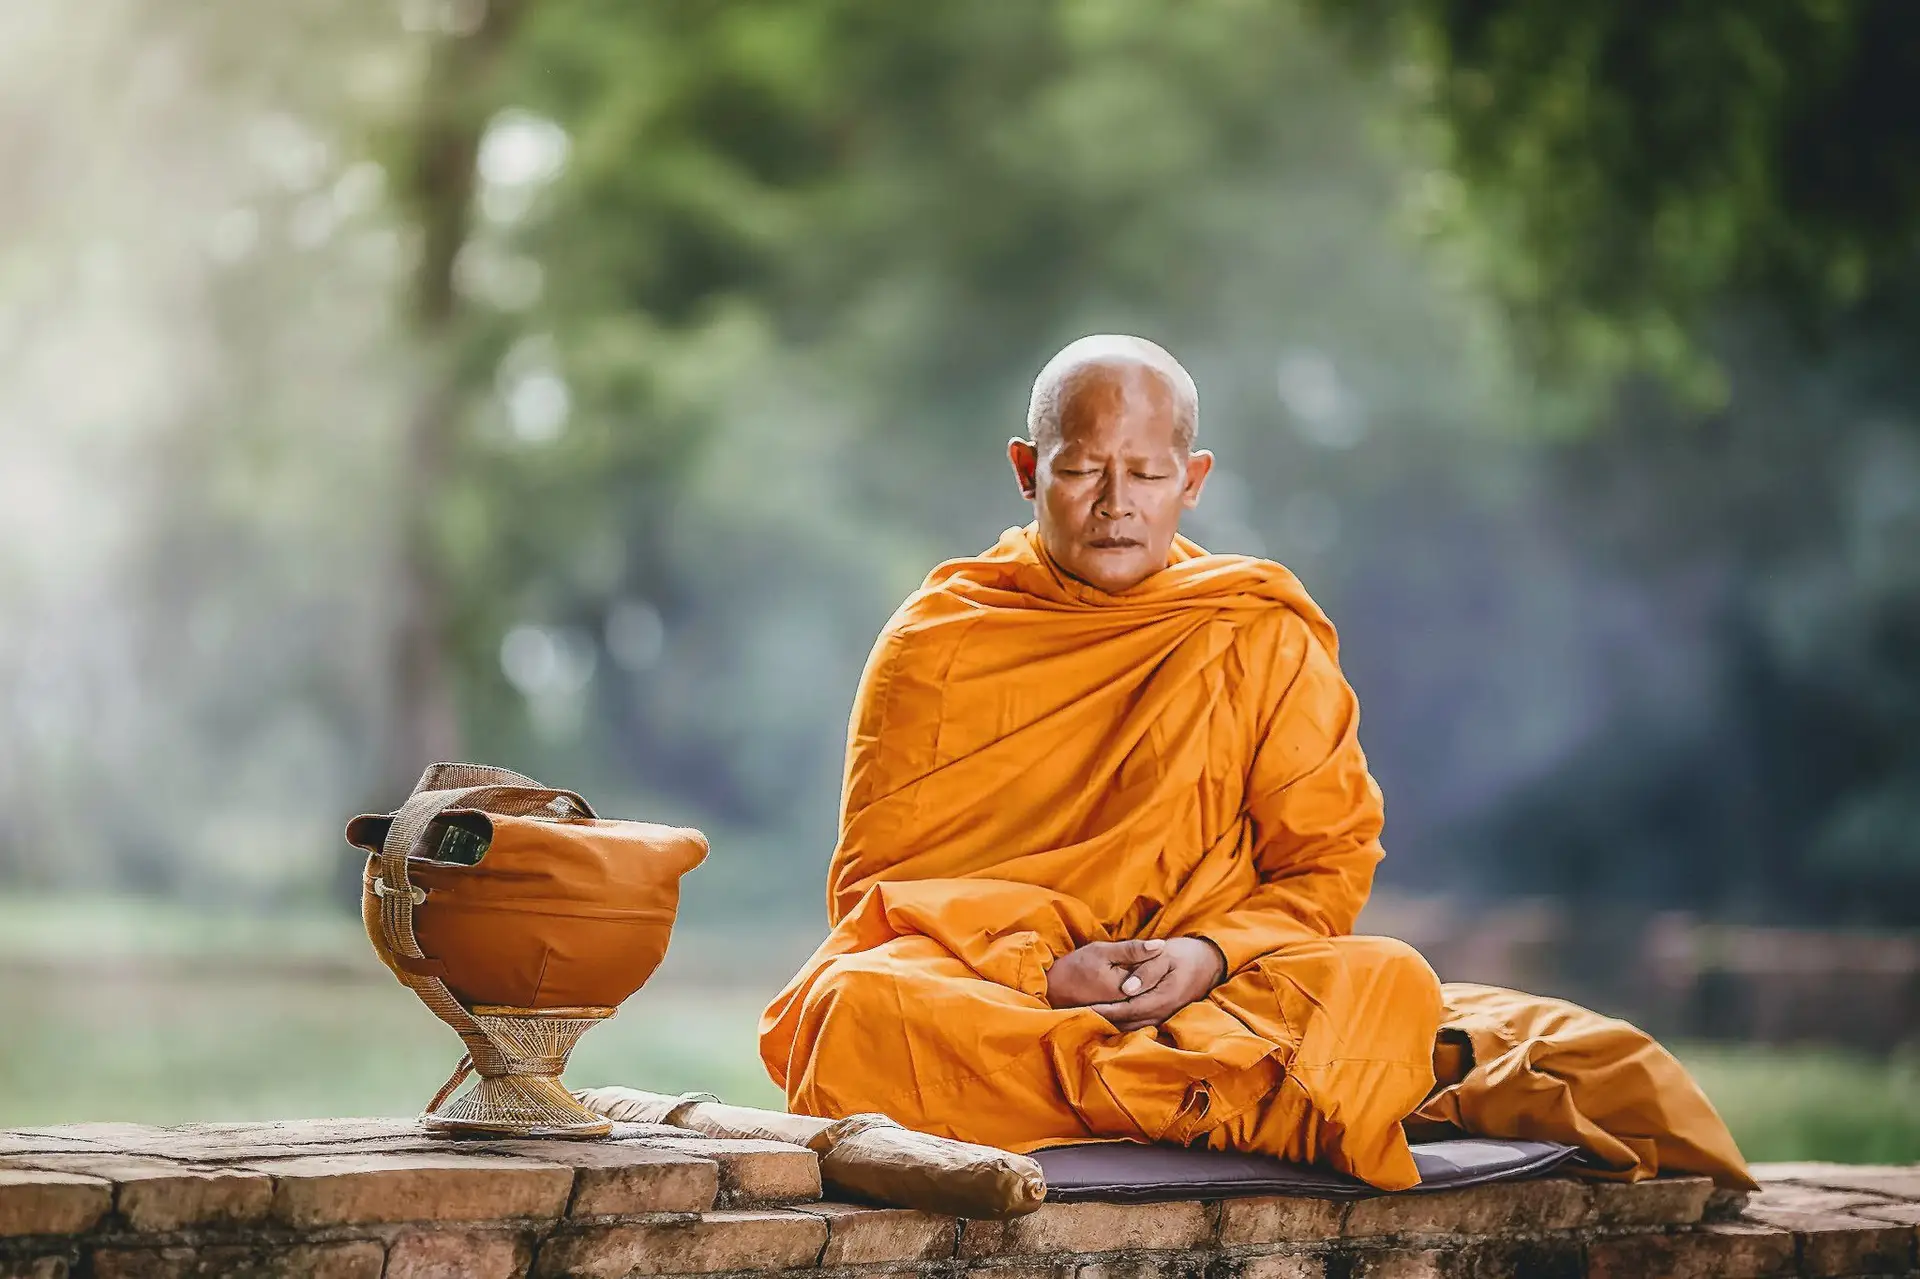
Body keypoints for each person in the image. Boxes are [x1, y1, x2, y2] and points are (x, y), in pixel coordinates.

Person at [759, 335, 1753, 1191]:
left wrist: (1207, 956)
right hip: (1013, 993)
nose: (1116, 503)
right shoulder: (943, 638)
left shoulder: (1251, 630)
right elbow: (877, 894)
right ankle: (1233, 1095)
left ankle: (1145, 1084)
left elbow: (1325, 866)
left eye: (1147, 475)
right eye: (1082, 468)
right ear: (1027, 468)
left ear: (1192, 482)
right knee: (858, 1010)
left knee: (1385, 980)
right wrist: (1048, 973)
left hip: (1210, 988)